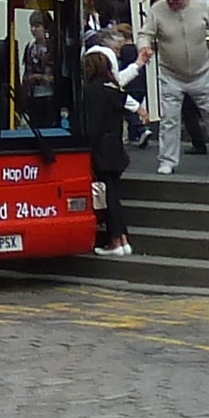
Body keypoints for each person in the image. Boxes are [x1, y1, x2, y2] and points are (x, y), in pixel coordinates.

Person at [137, 0, 209, 176]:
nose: (171, 3)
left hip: (201, 73)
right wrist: (144, 47)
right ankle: (167, 160)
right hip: (171, 74)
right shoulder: (157, 10)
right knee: (170, 119)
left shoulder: (200, 7)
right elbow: (146, 33)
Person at [75, 22, 138, 257]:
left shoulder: (91, 92)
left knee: (109, 198)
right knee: (113, 195)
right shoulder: (113, 89)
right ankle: (122, 239)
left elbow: (93, 125)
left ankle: (115, 240)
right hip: (116, 150)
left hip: (101, 150)